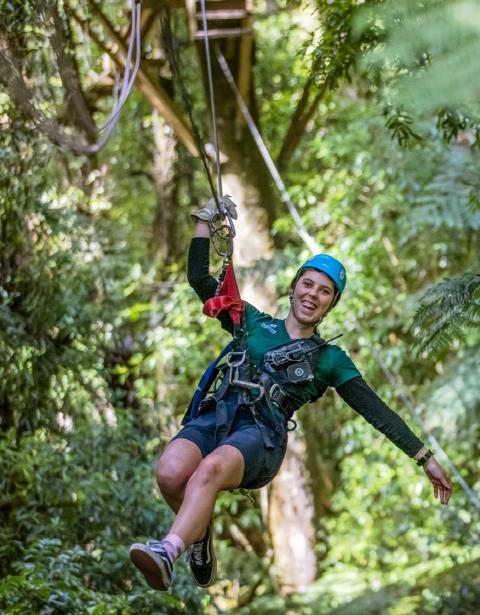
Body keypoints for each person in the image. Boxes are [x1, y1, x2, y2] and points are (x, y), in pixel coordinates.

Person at [129, 198, 453, 591]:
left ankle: (169, 550)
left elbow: (376, 410)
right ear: (294, 286)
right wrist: (203, 220)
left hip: (259, 436)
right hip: (217, 416)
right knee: (169, 472)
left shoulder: (330, 359)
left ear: (330, 304)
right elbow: (201, 279)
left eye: (325, 291)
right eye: (308, 284)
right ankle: (198, 536)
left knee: (211, 470)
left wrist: (424, 457)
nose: (313, 294)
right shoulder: (252, 323)